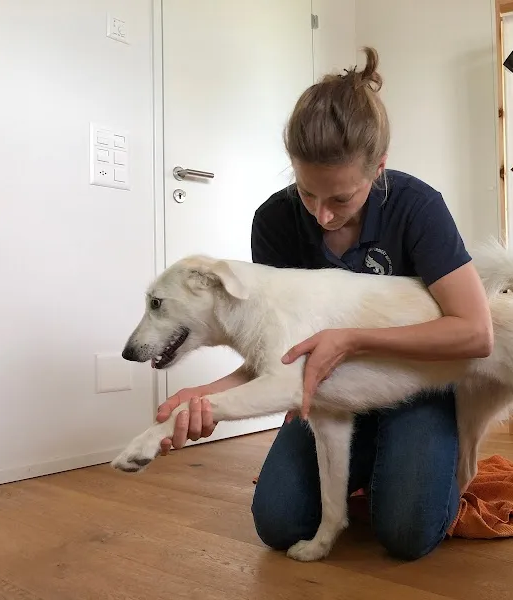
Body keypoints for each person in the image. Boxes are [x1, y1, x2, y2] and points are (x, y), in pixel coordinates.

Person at [154, 47, 493, 561]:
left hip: (415, 380)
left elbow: (474, 332)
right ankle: (375, 462)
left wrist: (354, 339)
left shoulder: (416, 206)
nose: (322, 215)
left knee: (406, 531)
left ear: (379, 168)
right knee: (278, 521)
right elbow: (279, 359)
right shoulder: (274, 220)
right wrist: (207, 395)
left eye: (341, 199)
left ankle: (414, 455)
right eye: (307, 193)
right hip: (329, 398)